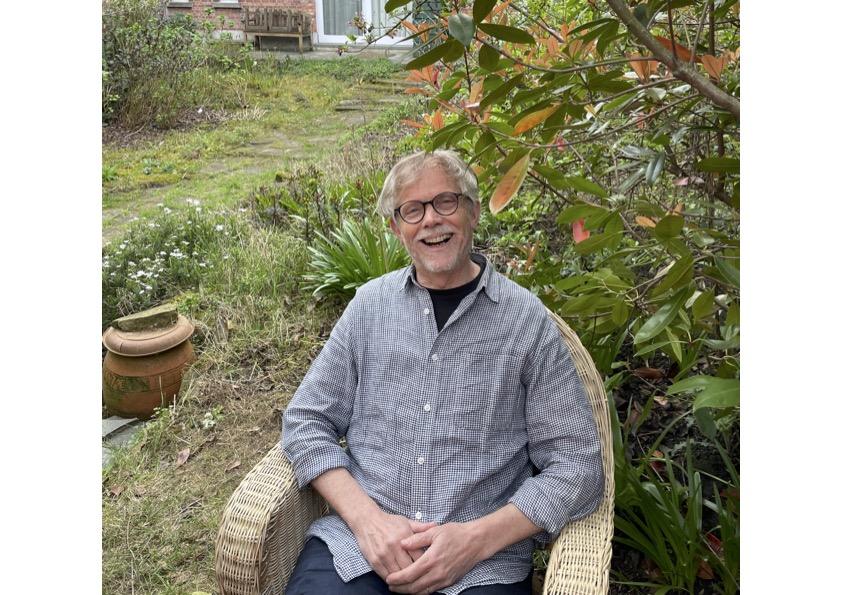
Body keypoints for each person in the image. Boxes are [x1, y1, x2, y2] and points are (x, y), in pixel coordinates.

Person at [281, 150, 604, 595]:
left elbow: (577, 465)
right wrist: (368, 521)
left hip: (481, 566)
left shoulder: (526, 321)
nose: (431, 219)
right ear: (396, 228)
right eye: (413, 210)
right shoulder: (368, 308)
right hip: (358, 549)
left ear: (473, 212)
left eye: (446, 202)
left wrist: (475, 540)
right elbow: (305, 421)